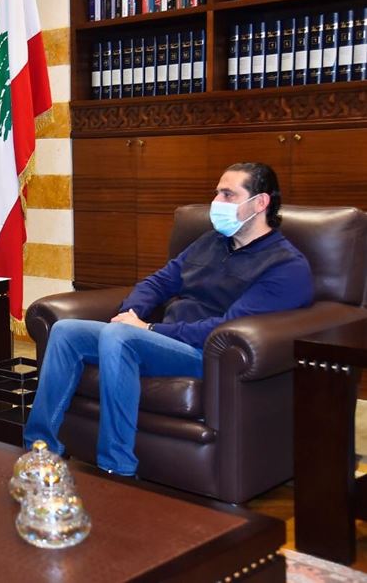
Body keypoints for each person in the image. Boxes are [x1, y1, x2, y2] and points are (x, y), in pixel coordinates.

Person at [23, 162, 314, 476]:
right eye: (217, 193)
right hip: (160, 341)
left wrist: (149, 329)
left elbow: (227, 327)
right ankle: (40, 450)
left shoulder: (285, 266)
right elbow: (158, 282)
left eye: (228, 194)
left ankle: (117, 467)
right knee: (66, 331)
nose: (217, 202)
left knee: (119, 337)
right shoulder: (210, 242)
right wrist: (131, 313)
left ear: (260, 203)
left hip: (208, 353)